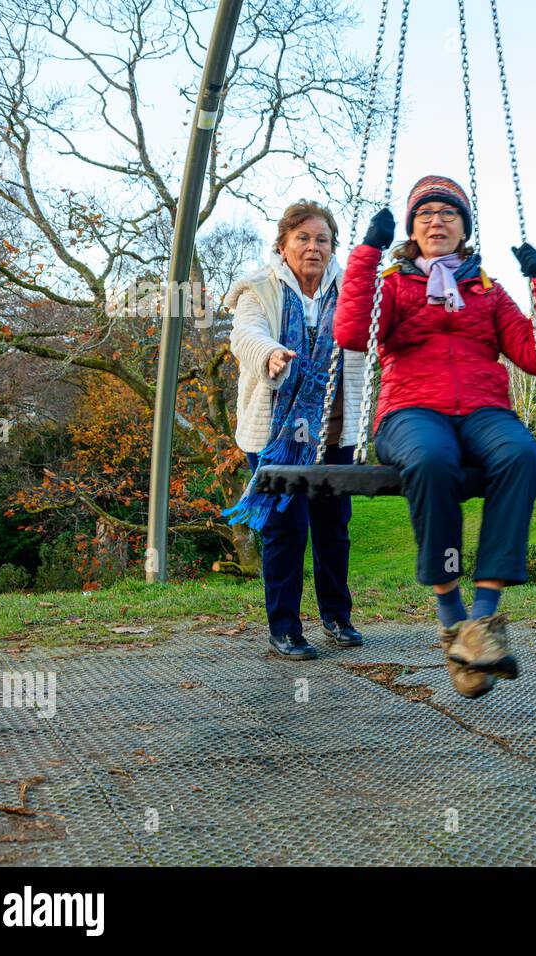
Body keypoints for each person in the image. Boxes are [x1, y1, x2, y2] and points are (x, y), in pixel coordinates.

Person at [334, 175, 536, 698]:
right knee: (433, 461)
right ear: (412, 231)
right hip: (410, 411)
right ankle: (451, 614)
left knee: (521, 454)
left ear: (464, 230)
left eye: (449, 214)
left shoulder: (488, 289)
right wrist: (367, 250)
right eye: (426, 214)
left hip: (483, 411)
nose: (437, 220)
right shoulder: (392, 283)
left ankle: (479, 622)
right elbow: (351, 334)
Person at [223, 200, 367, 660]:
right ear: (283, 244)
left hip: (333, 432)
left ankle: (337, 617)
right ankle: (284, 627)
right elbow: (244, 333)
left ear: (332, 247)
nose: (313, 247)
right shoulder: (259, 289)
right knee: (286, 529)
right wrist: (269, 353)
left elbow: (374, 333)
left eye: (322, 239)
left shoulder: (350, 291)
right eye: (303, 238)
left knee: (333, 528)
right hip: (277, 435)